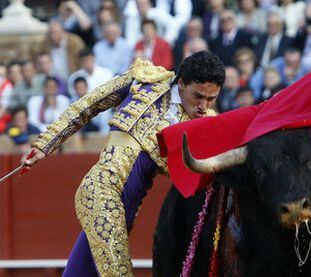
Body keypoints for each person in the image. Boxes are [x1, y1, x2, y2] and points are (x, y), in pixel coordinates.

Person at [21, 50, 225, 276]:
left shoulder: (208, 125)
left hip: (127, 210)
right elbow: (89, 104)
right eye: (198, 96)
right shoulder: (145, 80)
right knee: (117, 272)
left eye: (211, 99)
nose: (203, 106)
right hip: (100, 192)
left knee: (82, 270)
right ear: (182, 83)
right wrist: (45, 144)